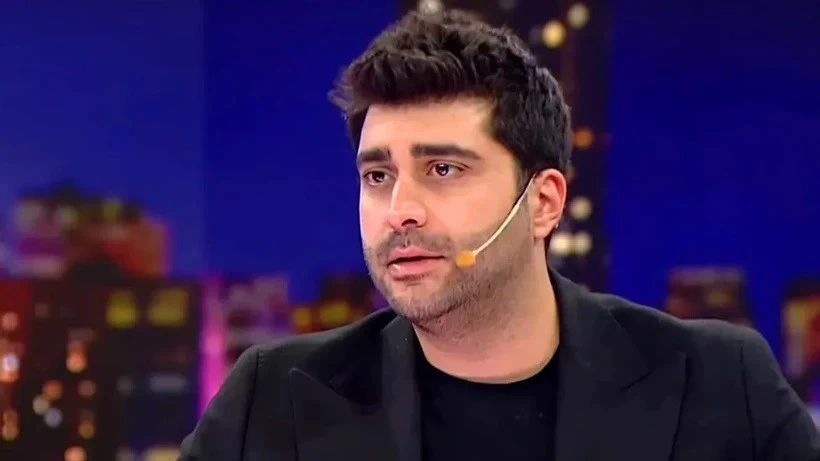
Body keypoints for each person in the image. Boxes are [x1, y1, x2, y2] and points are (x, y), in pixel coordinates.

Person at [179, 10, 820, 461]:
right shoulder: (271, 402)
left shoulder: (719, 384)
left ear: (543, 203)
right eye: (378, 175)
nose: (400, 210)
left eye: (443, 169)